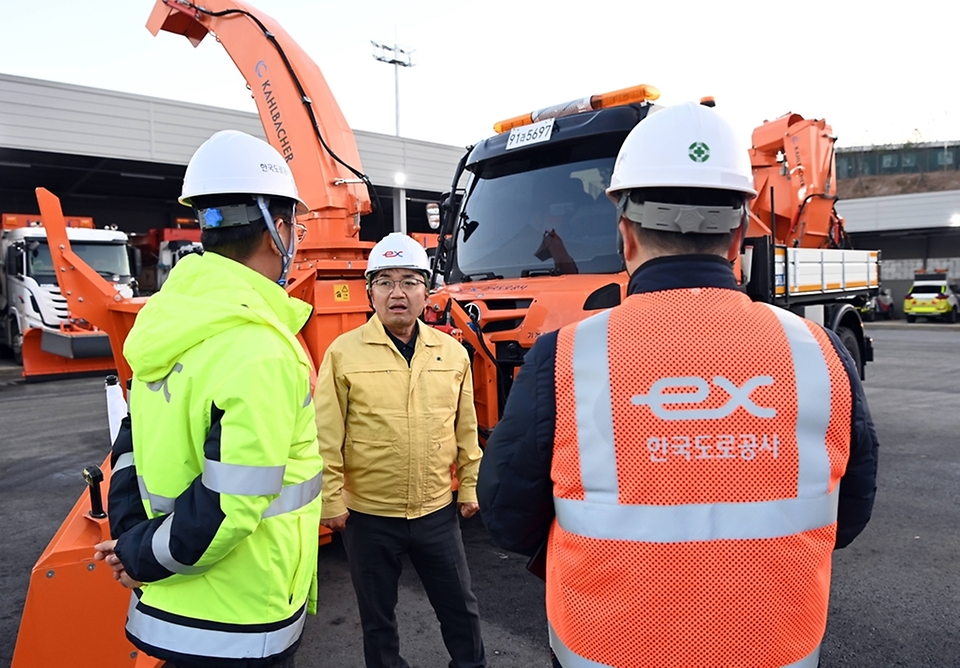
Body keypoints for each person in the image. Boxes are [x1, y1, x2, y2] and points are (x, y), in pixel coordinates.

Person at [477, 102, 879, 668]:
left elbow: (507, 517)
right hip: (775, 649)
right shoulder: (819, 352)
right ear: (740, 234)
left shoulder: (565, 356)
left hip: (606, 650)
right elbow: (849, 513)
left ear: (626, 236)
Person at [93, 129, 323, 668]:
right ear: (277, 231)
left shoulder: (166, 323)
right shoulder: (261, 349)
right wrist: (140, 557)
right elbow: (230, 508)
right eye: (295, 225)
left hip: (173, 607)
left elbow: (130, 447)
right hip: (239, 619)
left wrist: (133, 544)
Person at [315, 232, 486, 668]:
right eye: (386, 282)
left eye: (410, 281)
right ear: (369, 290)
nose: (398, 293)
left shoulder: (451, 352)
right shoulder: (343, 353)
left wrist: (469, 487)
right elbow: (325, 434)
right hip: (369, 516)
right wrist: (331, 500)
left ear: (426, 291)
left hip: (435, 512)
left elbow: (466, 427)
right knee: (377, 620)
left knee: (460, 611)